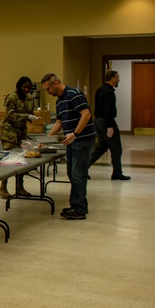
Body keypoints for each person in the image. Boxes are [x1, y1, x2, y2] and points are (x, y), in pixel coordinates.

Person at [41, 73, 96, 220]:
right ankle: (80, 204)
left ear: (55, 84)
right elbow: (59, 123)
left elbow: (86, 115)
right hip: (72, 141)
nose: (47, 92)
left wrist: (75, 134)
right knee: (72, 174)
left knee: (78, 174)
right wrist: (46, 140)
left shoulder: (73, 94)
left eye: (48, 89)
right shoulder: (59, 101)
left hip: (82, 140)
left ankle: (78, 209)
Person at [0, 76, 40, 198]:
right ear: (19, 87)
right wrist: (26, 116)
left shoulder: (30, 98)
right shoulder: (12, 97)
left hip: (21, 133)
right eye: (24, 87)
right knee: (8, 160)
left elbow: (30, 112)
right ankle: (3, 187)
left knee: (21, 160)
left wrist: (33, 117)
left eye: (29, 88)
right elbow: (10, 115)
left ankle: (19, 187)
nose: (27, 90)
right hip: (9, 132)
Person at [88, 70, 130, 181]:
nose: (119, 80)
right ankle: (117, 173)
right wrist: (110, 126)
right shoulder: (109, 93)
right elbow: (108, 111)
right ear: (113, 78)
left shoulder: (100, 90)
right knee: (116, 148)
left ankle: (83, 167)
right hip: (106, 122)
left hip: (97, 120)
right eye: (117, 77)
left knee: (101, 147)